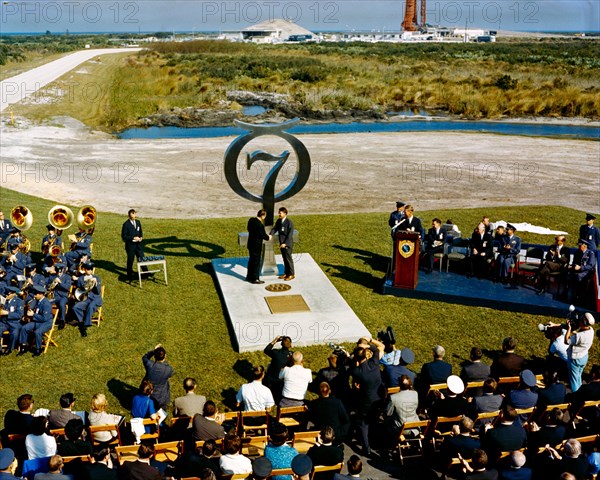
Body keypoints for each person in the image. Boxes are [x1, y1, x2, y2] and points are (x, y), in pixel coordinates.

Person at [350, 337, 385, 456]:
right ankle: (375, 441)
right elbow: (376, 349)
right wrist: (368, 344)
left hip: (366, 401)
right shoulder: (374, 363)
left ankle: (366, 447)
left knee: (363, 424)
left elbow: (353, 376)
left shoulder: (357, 372)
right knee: (373, 420)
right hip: (378, 399)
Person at [17, 284, 53, 356]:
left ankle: (38, 349)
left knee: (37, 332)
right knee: (24, 328)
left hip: (46, 323)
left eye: (36, 294)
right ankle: (23, 346)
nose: (34, 295)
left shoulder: (46, 304)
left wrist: (33, 315)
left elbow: (45, 318)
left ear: (41, 294)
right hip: (37, 321)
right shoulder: (37, 300)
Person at [565, 311, 595, 392]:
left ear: (584, 322)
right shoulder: (591, 330)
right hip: (584, 357)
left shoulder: (579, 336)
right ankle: (581, 391)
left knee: (574, 380)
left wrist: (569, 329)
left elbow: (567, 341)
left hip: (575, 359)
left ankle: (576, 396)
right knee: (578, 376)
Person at [71, 262, 103, 337]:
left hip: (95, 298)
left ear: (92, 270)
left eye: (90, 269)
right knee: (76, 307)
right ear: (84, 270)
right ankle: (81, 321)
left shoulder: (96, 278)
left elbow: (98, 292)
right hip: (85, 298)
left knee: (91, 306)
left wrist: (96, 283)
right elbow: (79, 290)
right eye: (87, 269)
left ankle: (85, 325)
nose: (89, 271)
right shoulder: (81, 279)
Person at [141, 344, 174, 411]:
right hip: (161, 396)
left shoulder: (149, 365)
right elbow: (170, 373)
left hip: (147, 391)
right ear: (165, 356)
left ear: (155, 356)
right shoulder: (168, 369)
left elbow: (145, 357)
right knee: (161, 413)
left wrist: (154, 351)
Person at [567, 238, 597, 304]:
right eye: (579, 245)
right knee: (569, 275)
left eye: (580, 245)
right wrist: (573, 266)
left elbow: (590, 265)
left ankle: (579, 297)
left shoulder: (590, 253)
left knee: (578, 276)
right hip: (577, 270)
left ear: (585, 246)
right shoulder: (577, 253)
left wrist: (581, 268)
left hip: (586, 272)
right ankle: (570, 296)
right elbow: (574, 262)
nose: (579, 247)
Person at [264, 336, 293, 401]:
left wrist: (275, 340)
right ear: (291, 345)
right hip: (282, 383)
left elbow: (266, 350)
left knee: (269, 365)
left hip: (270, 380)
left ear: (281, 344)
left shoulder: (275, 352)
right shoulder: (292, 355)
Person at [246, 209, 272, 284]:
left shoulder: (251, 220)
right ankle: (255, 278)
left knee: (251, 261)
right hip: (256, 246)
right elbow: (263, 235)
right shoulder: (260, 225)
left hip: (250, 244)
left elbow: (248, 229)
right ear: (263, 216)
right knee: (256, 262)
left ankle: (249, 276)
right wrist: (269, 237)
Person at [270, 207, 295, 281]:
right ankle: (286, 273)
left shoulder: (289, 223)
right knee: (284, 259)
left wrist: (285, 243)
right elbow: (275, 228)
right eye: (279, 213)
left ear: (285, 213)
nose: (279, 214)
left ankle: (291, 274)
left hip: (287, 244)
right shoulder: (279, 221)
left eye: (280, 213)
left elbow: (289, 235)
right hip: (281, 243)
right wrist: (271, 234)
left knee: (288, 259)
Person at [0, 286, 24, 356]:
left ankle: (10, 348)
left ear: (13, 294)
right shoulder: (4, 301)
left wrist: (7, 313)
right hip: (4, 322)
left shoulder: (19, 302)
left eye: (8, 294)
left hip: (14, 323)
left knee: (14, 334)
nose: (6, 295)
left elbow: (19, 315)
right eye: (5, 294)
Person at [121, 208, 145, 280]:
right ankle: (129, 275)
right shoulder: (126, 224)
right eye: (131, 216)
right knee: (130, 260)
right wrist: (133, 238)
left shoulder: (138, 222)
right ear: (129, 216)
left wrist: (140, 237)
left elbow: (140, 231)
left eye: (134, 215)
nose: (133, 217)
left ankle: (146, 272)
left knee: (141, 258)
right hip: (130, 246)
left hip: (138, 245)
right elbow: (124, 236)